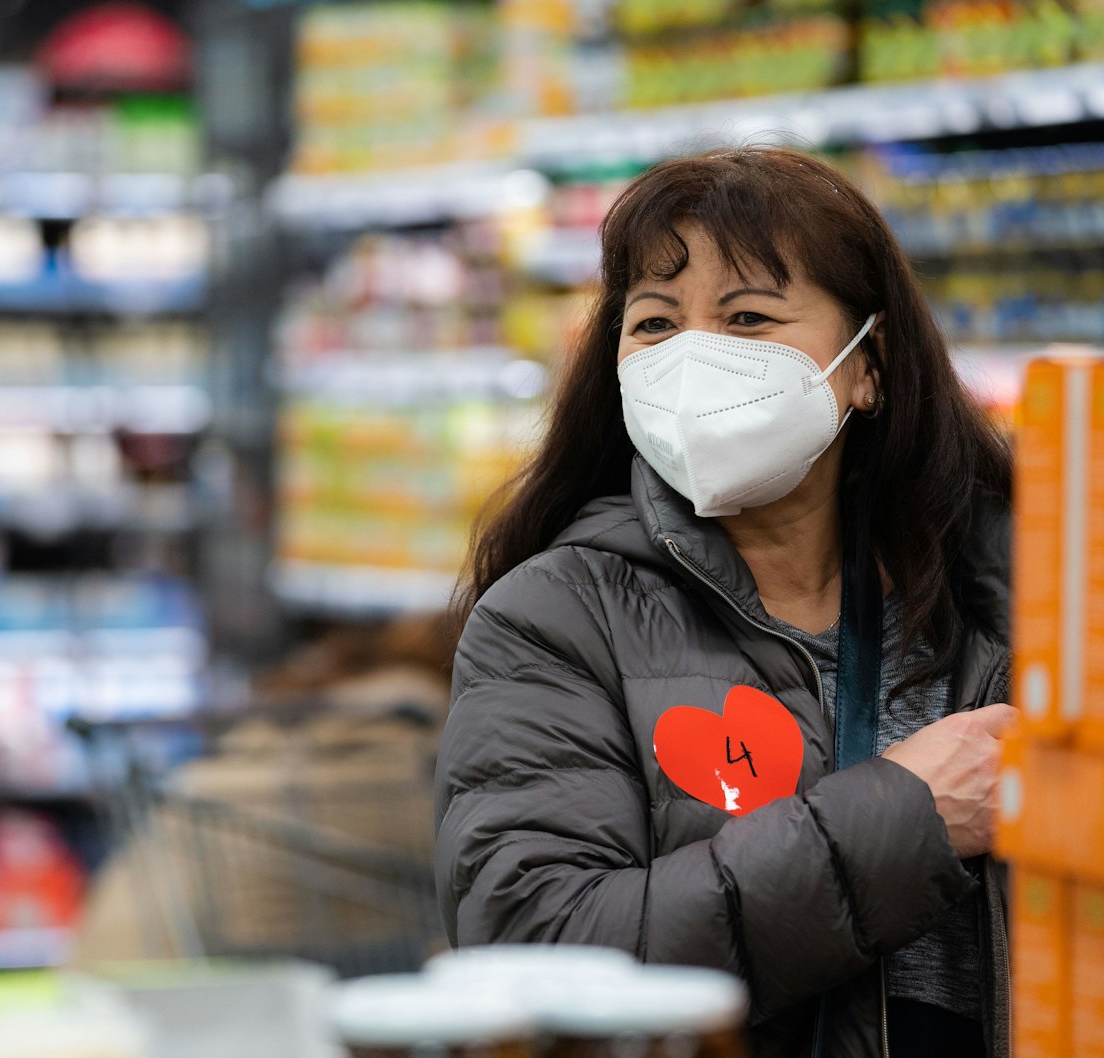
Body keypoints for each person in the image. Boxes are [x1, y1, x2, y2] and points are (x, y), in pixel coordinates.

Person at [435, 147, 1017, 1058]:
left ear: (869, 367)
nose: (694, 357)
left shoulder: (1010, 595)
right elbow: (540, 947)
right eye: (656, 323)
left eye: (748, 316)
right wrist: (911, 820)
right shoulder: (551, 619)